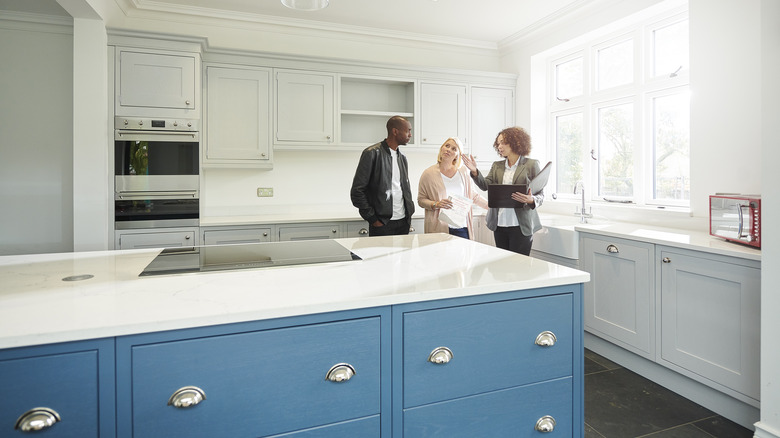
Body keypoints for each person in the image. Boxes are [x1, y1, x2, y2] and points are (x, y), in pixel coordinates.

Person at [461, 127, 543, 255]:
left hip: (521, 225)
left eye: (503, 142)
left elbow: (540, 194)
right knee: (502, 266)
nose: (499, 146)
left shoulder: (531, 165)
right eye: (498, 143)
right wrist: (475, 171)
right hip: (499, 224)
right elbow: (485, 185)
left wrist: (532, 199)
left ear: (516, 142)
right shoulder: (497, 166)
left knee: (519, 265)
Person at [350, 116, 415, 236]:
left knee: (403, 255)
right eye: (408, 130)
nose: (410, 134)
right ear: (395, 131)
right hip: (382, 223)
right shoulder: (372, 153)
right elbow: (357, 191)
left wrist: (409, 213)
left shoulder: (402, 158)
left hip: (403, 222)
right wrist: (373, 219)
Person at [417, 137, 488, 240]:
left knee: (464, 256)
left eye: (454, 149)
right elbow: (421, 200)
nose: (448, 149)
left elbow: (473, 196)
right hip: (439, 228)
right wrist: (436, 204)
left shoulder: (463, 172)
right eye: (447, 146)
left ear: (457, 155)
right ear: (442, 148)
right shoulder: (428, 173)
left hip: (462, 227)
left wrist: (492, 207)